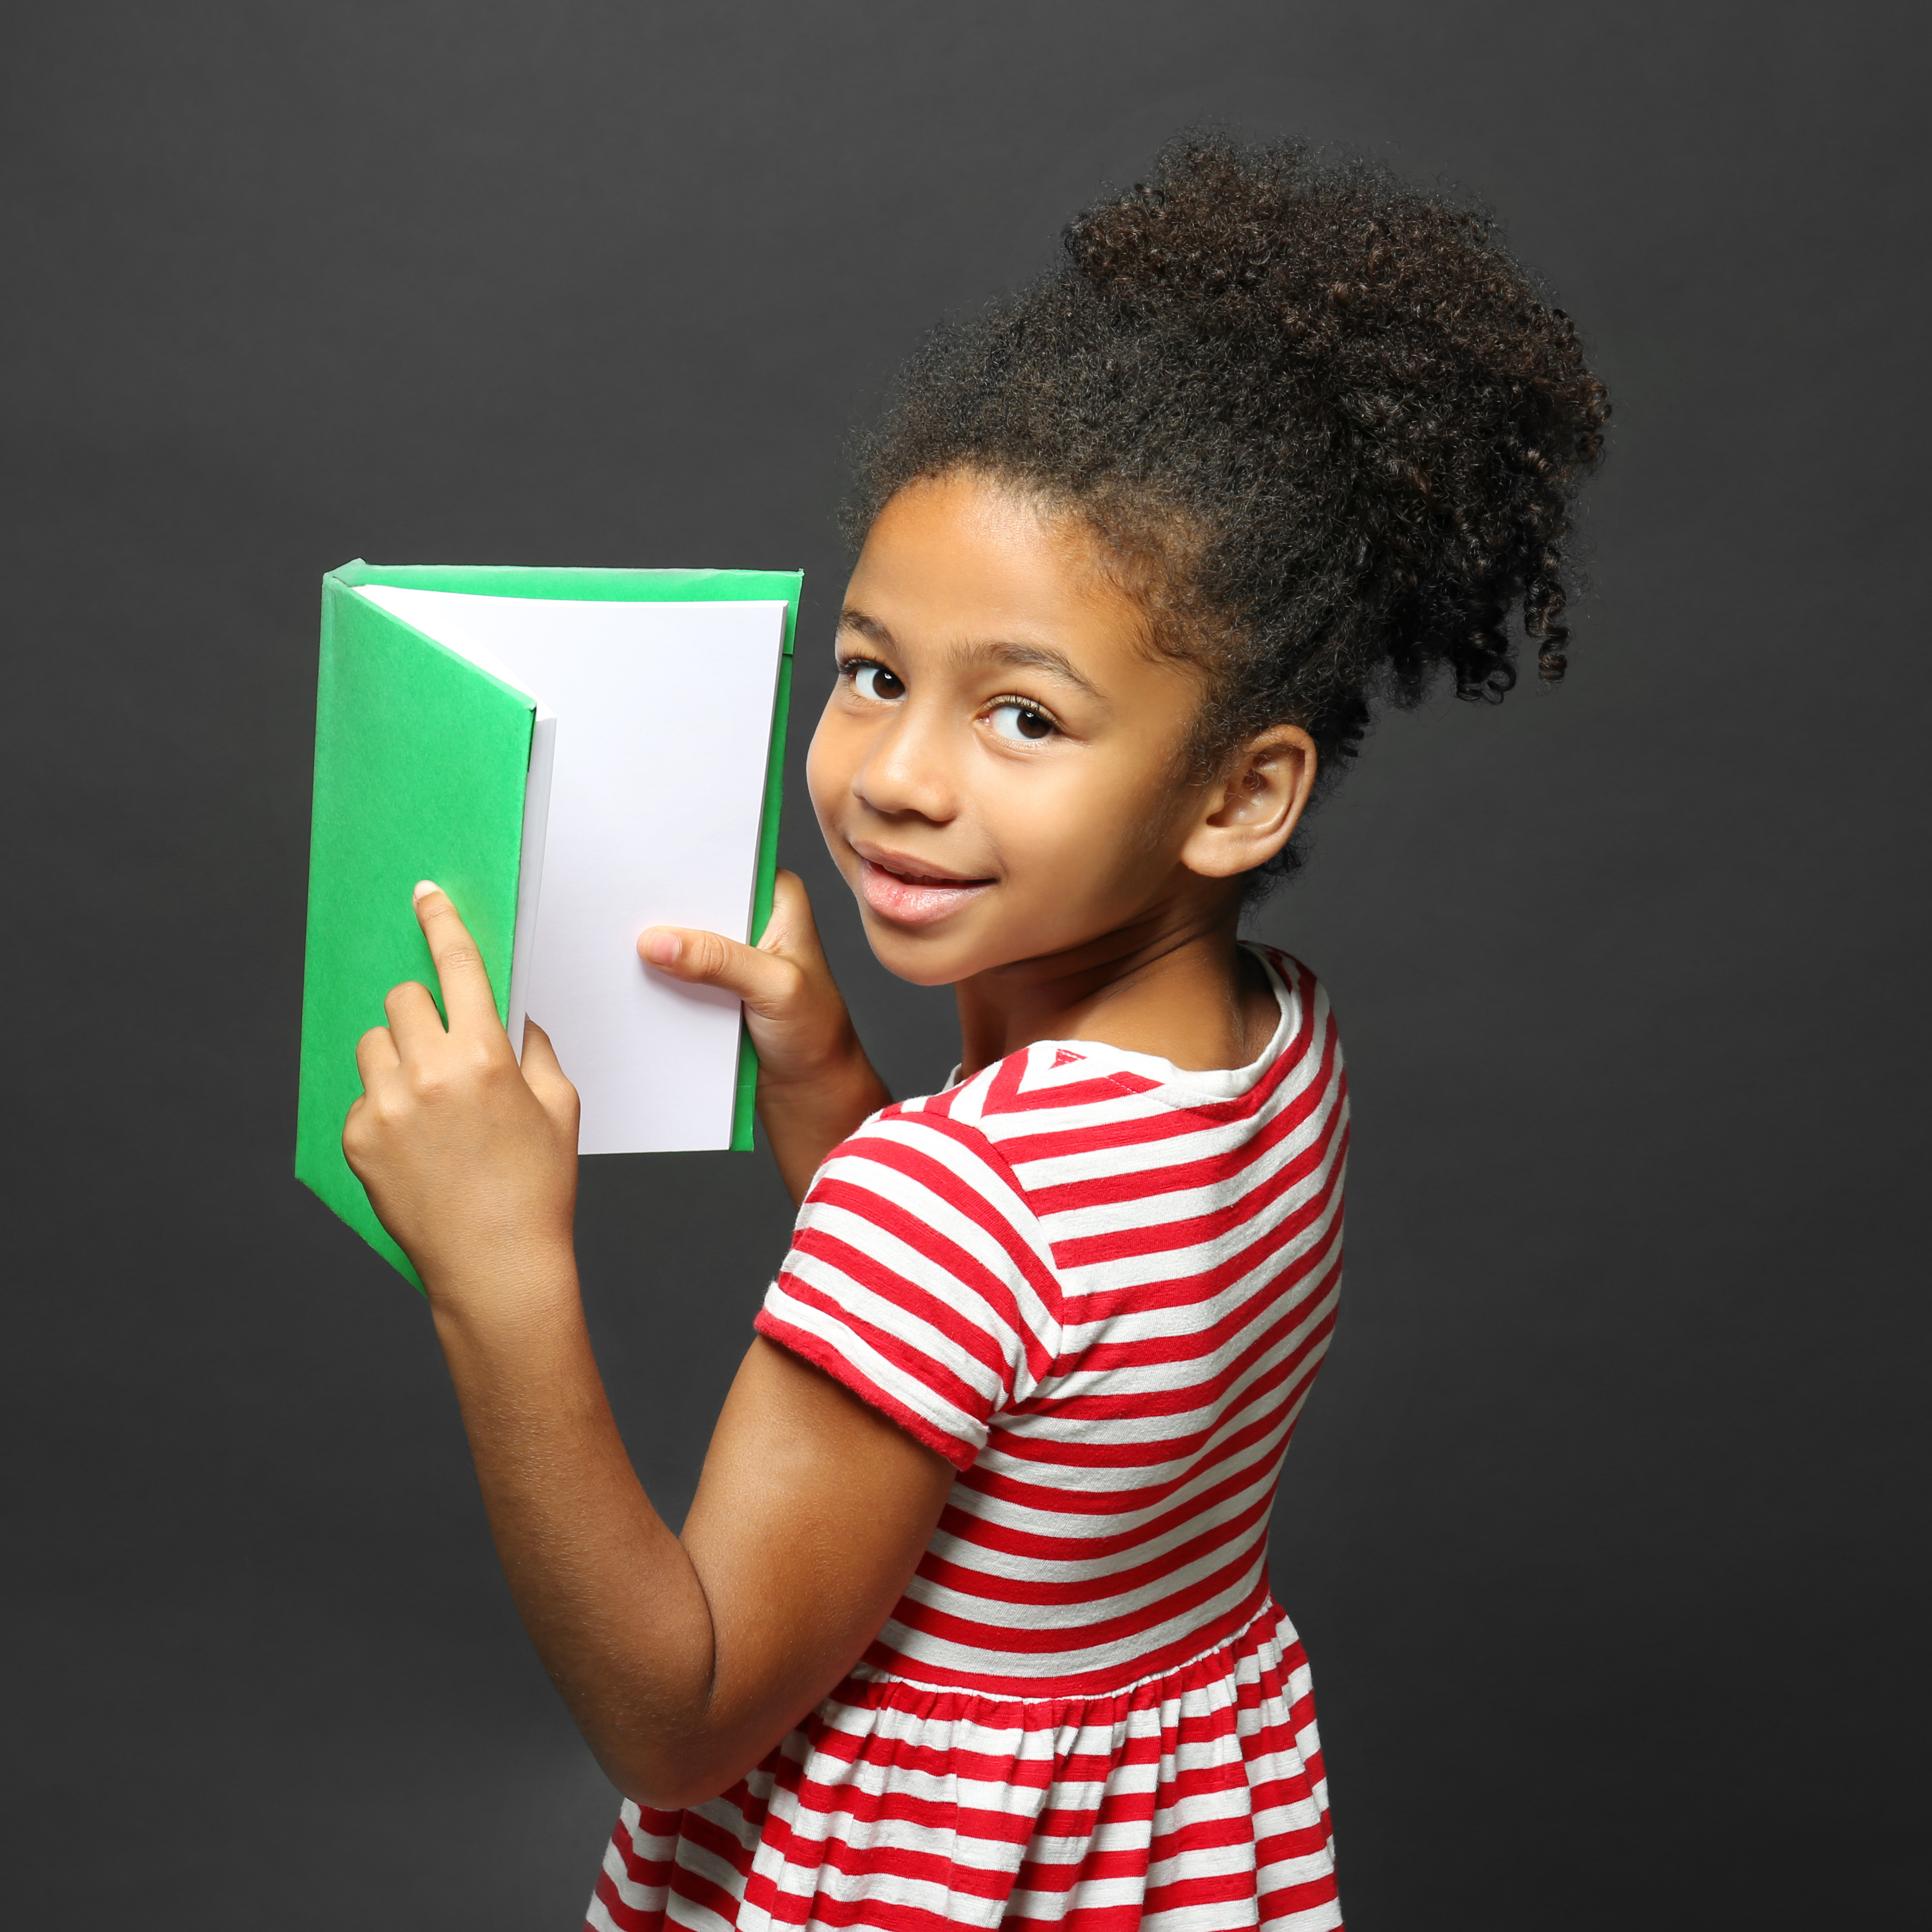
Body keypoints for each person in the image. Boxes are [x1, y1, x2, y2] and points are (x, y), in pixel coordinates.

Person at [342, 135, 1607, 1932]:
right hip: (1146, 1852)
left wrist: (498, 1273)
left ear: (1241, 793)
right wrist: (831, 1083)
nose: (898, 779)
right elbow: (1032, 1377)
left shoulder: (956, 1202)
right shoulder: (1271, 1054)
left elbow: (679, 1721)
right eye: (872, 674)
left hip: (915, 1877)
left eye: (1022, 714)